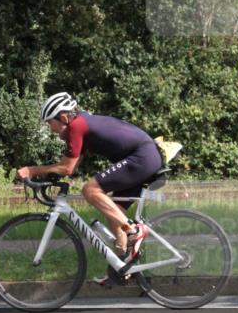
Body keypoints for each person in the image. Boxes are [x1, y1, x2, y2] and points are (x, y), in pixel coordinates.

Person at [16, 92, 163, 282]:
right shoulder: (81, 124)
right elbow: (70, 166)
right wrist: (48, 174)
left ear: (62, 117)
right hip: (144, 156)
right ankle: (123, 267)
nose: (49, 128)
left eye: (49, 122)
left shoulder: (77, 126)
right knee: (114, 212)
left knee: (90, 190)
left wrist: (32, 170)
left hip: (142, 156)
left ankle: (134, 231)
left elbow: (67, 168)